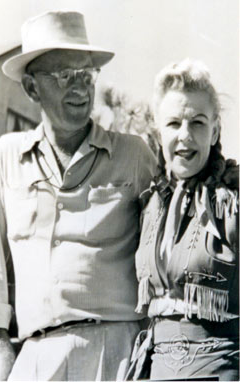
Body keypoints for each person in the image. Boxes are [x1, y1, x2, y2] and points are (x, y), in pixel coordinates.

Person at [0, 11, 158, 381]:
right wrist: (1, 363)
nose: (80, 88)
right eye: (64, 76)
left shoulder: (134, 156)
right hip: (36, 358)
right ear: (32, 88)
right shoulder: (7, 156)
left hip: (119, 354)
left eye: (86, 75)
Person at [126, 59, 239, 381]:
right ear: (158, 131)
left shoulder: (234, 200)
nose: (185, 136)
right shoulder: (150, 204)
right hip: (156, 366)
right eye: (174, 123)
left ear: (215, 130)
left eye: (198, 123)